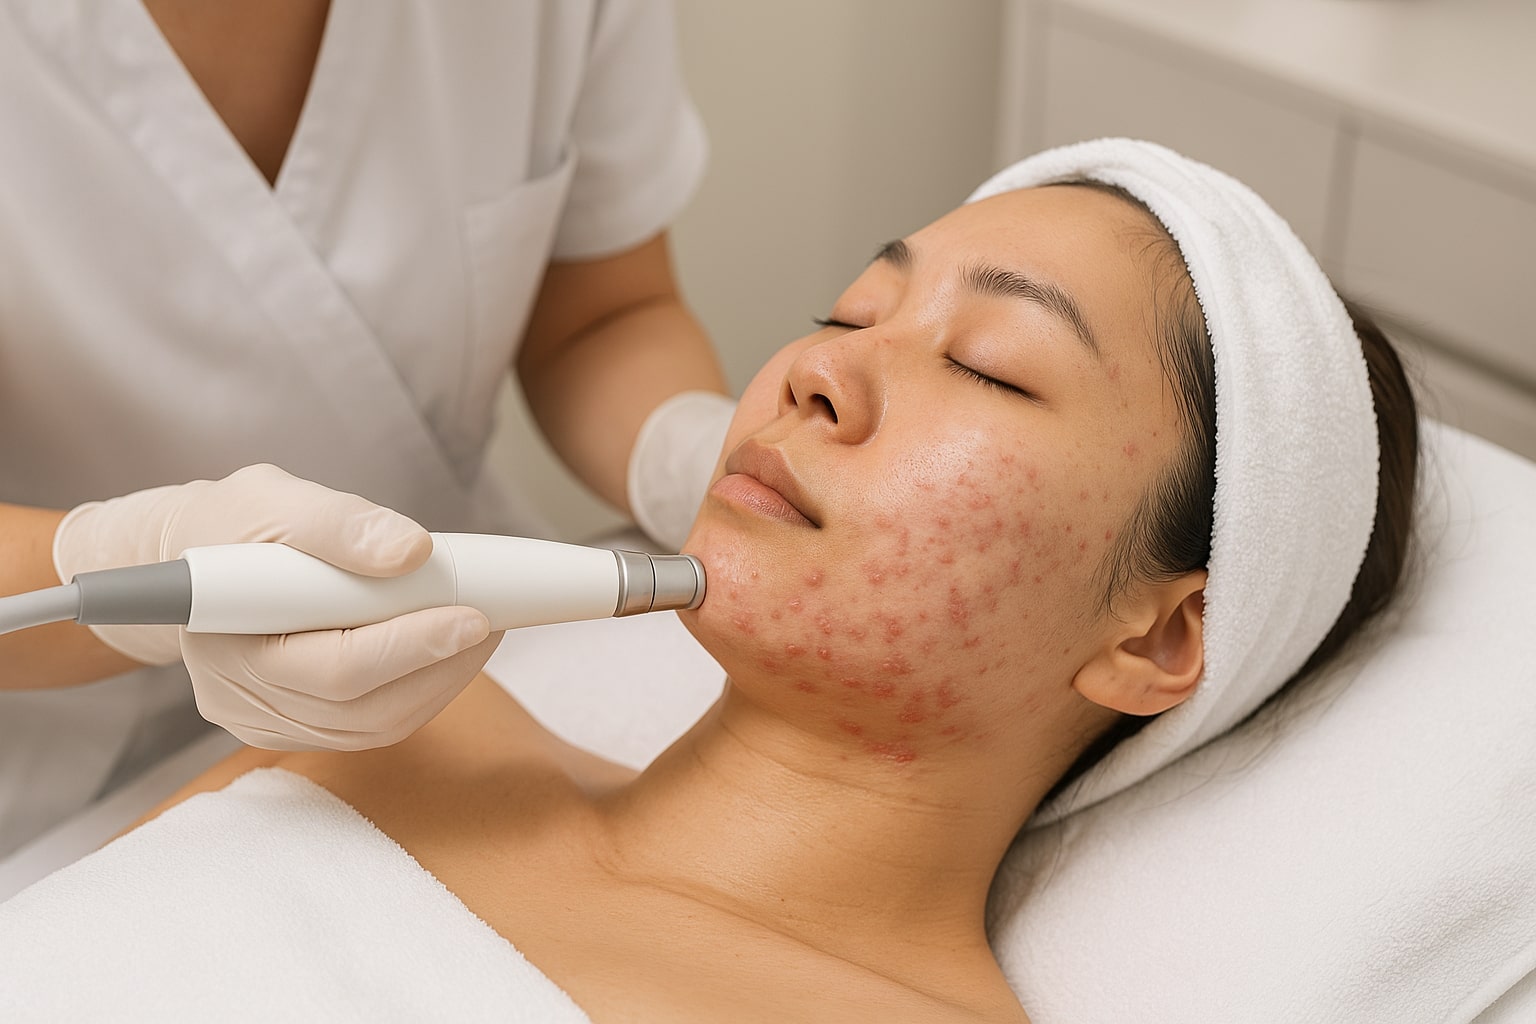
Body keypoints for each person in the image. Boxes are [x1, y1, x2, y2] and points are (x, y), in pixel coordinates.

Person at [0, 140, 1419, 1022]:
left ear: (1162, 634)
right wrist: (89, 565)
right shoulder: (410, 735)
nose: (813, 367)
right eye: (848, 312)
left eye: (989, 363)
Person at [0, 1, 734, 856]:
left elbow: (603, 316)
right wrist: (119, 560)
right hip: (52, 768)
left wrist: (691, 452)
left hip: (460, 658)